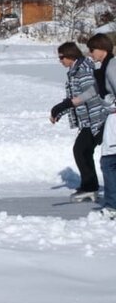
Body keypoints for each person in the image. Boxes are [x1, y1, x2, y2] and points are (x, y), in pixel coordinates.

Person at [50, 41, 106, 202]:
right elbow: (74, 99)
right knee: (83, 151)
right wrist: (60, 110)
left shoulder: (83, 70)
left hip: (95, 118)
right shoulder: (75, 70)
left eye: (61, 57)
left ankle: (90, 187)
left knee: (81, 150)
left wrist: (64, 106)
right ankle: (90, 187)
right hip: (88, 120)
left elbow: (91, 93)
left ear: (70, 55)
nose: (60, 61)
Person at [86, 33, 116, 218]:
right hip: (111, 120)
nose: (90, 54)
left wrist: (110, 102)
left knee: (108, 163)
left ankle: (112, 207)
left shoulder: (112, 67)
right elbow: (93, 92)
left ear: (102, 50)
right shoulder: (105, 67)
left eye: (92, 50)